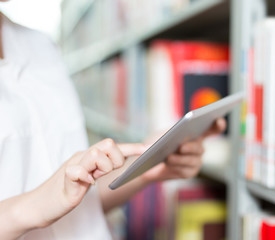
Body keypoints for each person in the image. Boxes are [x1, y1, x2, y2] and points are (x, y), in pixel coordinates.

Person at [0, 6, 226, 240]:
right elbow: (48, 202)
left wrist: (145, 166)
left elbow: (77, 204)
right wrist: (27, 209)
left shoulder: (42, 46)